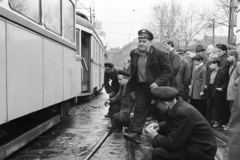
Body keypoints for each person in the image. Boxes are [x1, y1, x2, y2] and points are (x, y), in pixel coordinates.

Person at [123, 29, 172, 144]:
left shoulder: (159, 54)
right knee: (140, 109)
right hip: (141, 87)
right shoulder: (133, 53)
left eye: (144, 41)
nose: (141, 44)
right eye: (140, 41)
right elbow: (134, 69)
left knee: (161, 110)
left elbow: (168, 70)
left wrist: (158, 82)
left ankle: (166, 134)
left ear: (150, 42)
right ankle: (136, 133)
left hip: (157, 88)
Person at [147, 86, 217, 160]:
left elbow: (172, 144)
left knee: (158, 153)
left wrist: (155, 136)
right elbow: (175, 124)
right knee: (160, 145)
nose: (157, 107)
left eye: (158, 104)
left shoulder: (182, 113)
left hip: (202, 151)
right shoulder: (177, 106)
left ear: (166, 104)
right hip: (196, 146)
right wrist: (159, 126)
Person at [206, 58, 228, 127]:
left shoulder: (222, 72)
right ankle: (209, 121)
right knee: (209, 106)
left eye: (211, 64)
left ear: (216, 64)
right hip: (210, 91)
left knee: (217, 107)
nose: (209, 66)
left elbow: (225, 82)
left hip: (217, 92)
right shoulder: (210, 72)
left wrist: (221, 88)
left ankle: (217, 121)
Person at [224, 50, 240, 130]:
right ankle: (230, 123)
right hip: (231, 90)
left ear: (234, 56)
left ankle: (232, 125)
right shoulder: (232, 65)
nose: (228, 58)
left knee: (233, 109)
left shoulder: (238, 64)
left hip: (235, 90)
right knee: (231, 108)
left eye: (229, 56)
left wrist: (235, 83)